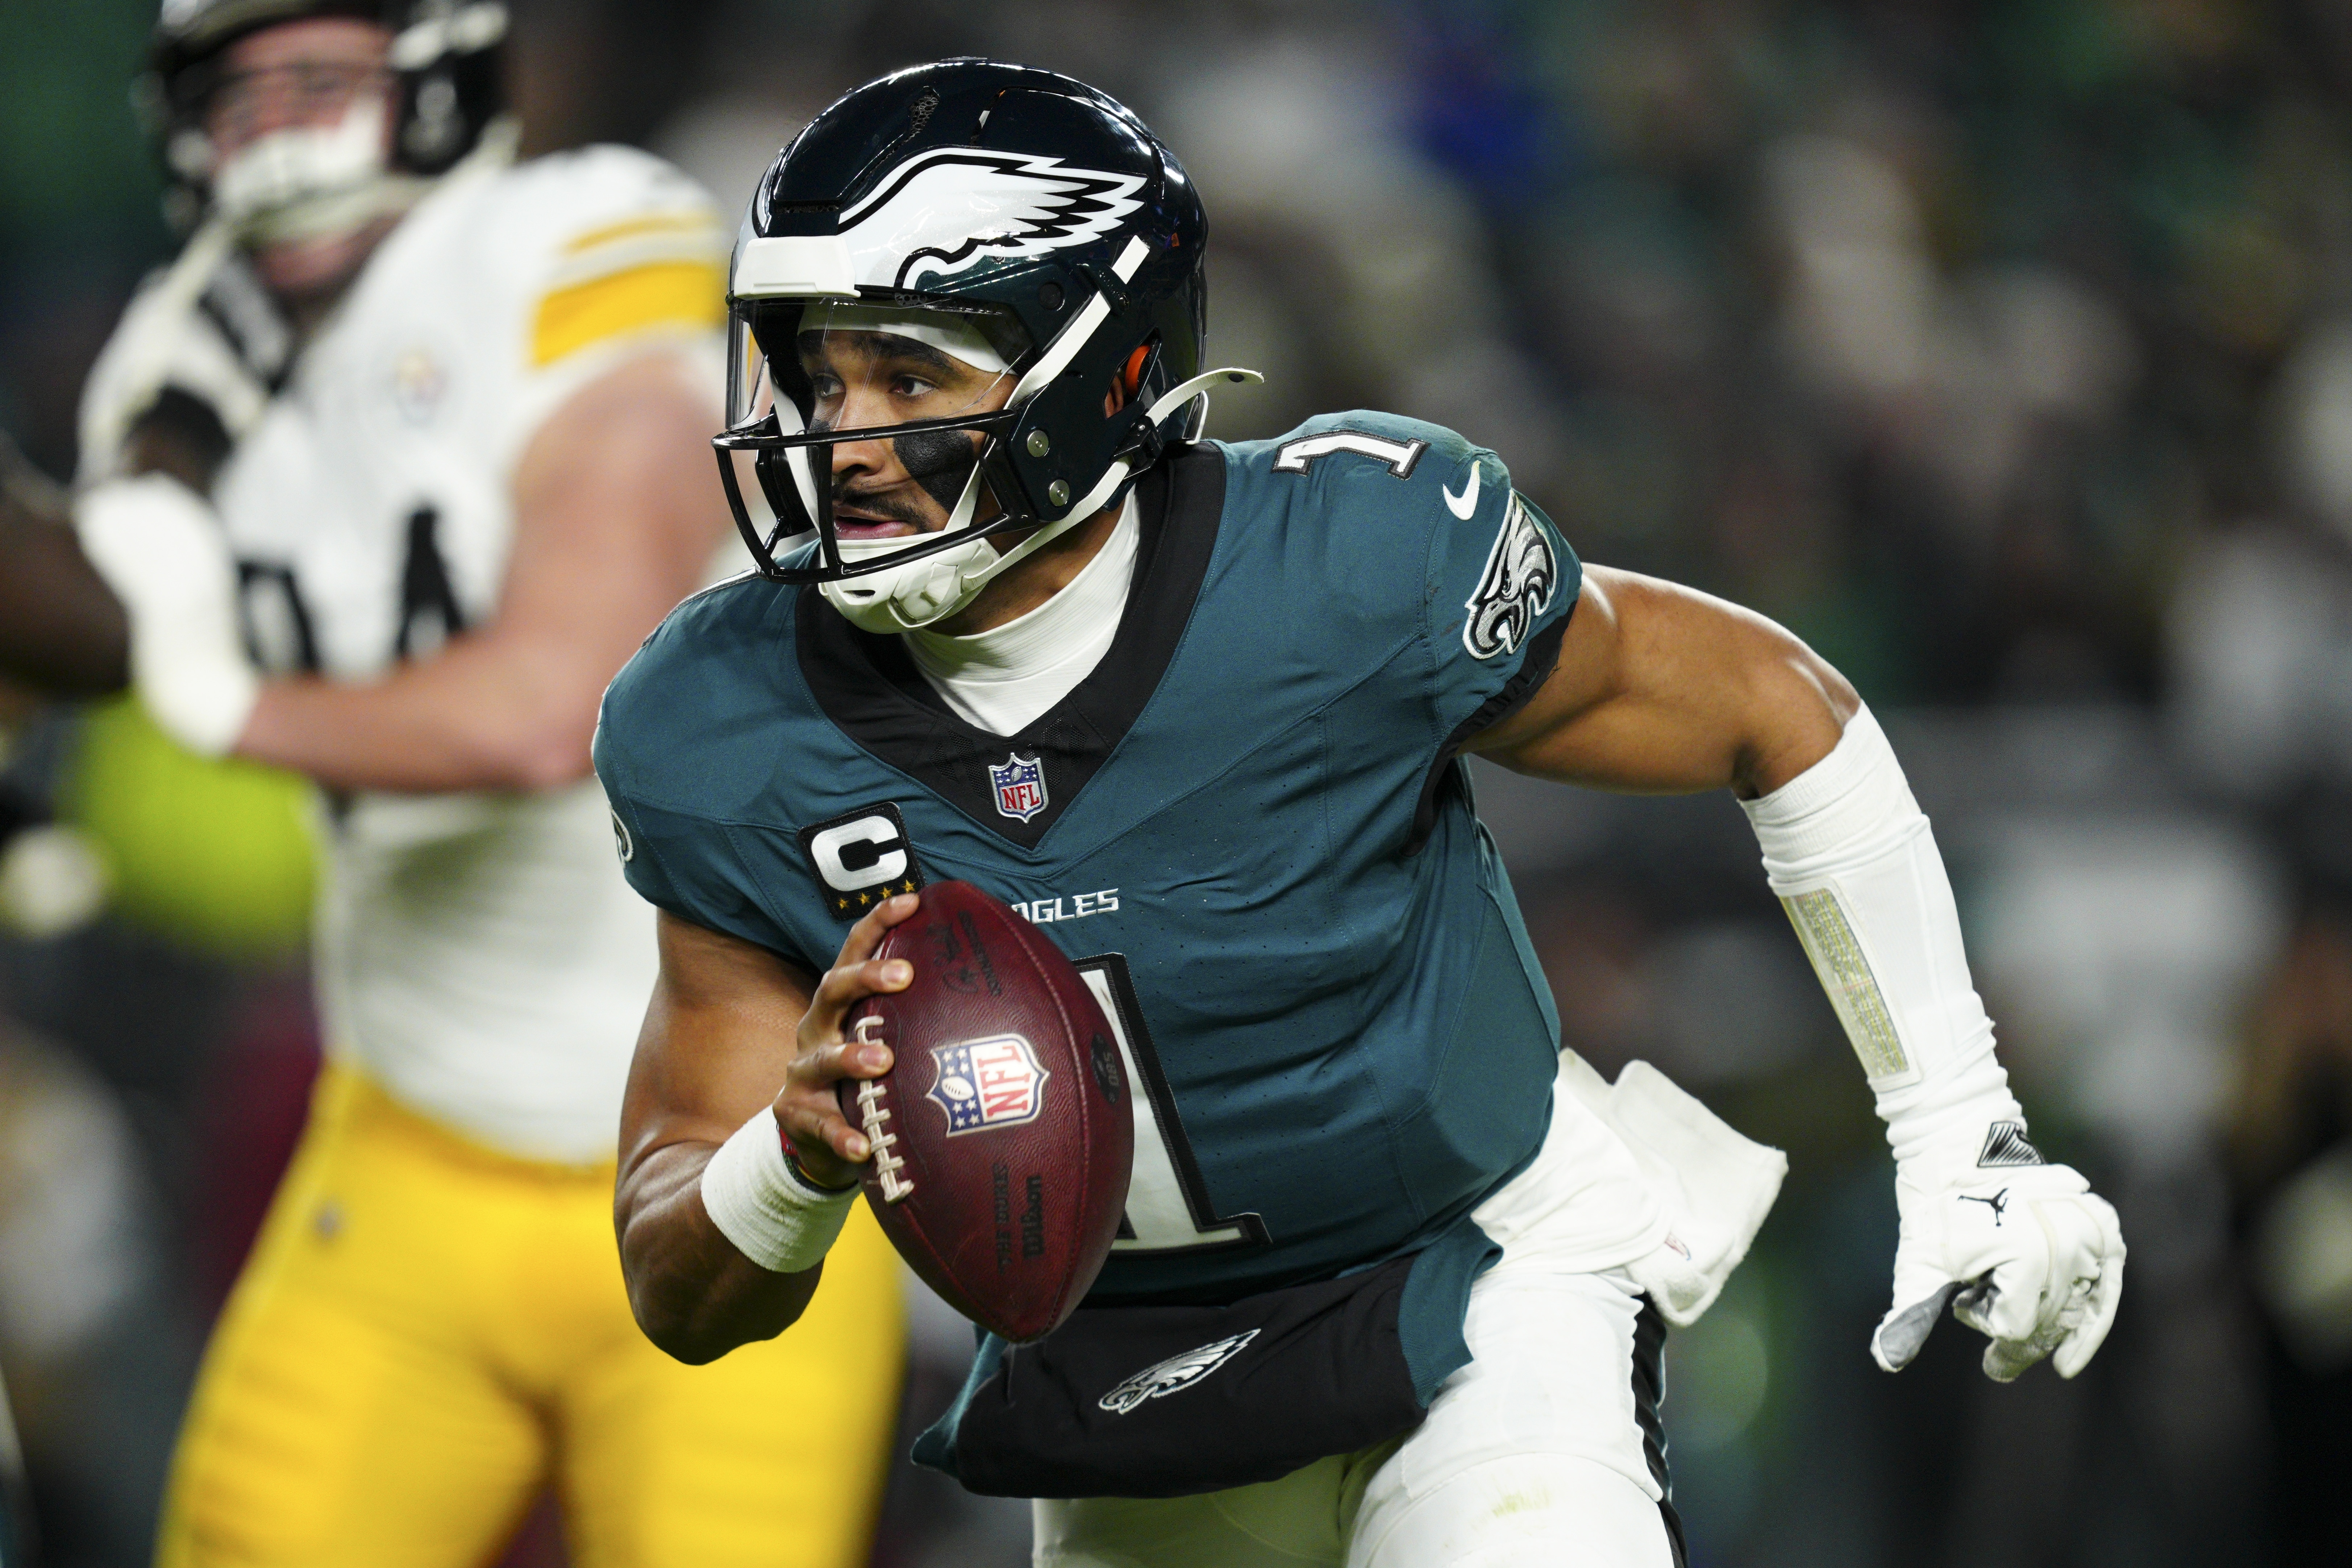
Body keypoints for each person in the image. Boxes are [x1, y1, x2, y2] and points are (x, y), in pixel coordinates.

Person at [595, 60, 2127, 1568]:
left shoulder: (1352, 561)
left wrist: (1960, 1127)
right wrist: (791, 1160)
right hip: (1126, 1389)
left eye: (910, 375)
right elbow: (677, 1277)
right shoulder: (722, 719)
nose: (842, 438)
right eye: (818, 374)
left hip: (1471, 1293)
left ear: (1104, 366)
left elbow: (1775, 706)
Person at [58, 5, 904, 1564]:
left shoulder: (581, 244)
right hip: (408, 1141)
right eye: (235, 94)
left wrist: (219, 695)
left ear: (439, 76)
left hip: (740, 1159)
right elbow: (92, 594)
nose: (274, 132)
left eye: (317, 80)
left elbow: (546, 710)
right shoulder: (192, 363)